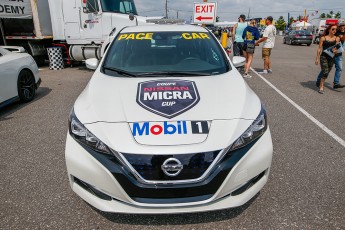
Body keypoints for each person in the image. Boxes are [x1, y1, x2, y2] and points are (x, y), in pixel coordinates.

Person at [315, 25, 341, 94]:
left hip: (332, 57)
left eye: (336, 29)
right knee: (325, 72)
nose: (334, 31)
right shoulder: (323, 38)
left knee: (326, 72)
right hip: (324, 57)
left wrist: (336, 51)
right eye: (333, 29)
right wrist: (317, 59)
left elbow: (338, 48)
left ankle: (319, 81)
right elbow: (319, 49)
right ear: (329, 30)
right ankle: (321, 86)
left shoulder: (337, 38)